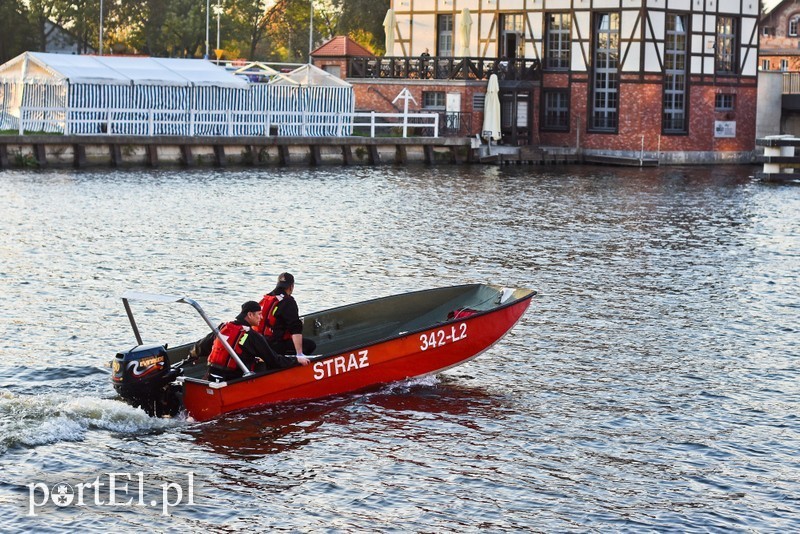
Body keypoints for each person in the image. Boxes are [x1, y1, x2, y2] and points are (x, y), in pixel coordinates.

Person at [204, 300, 310, 382]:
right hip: (233, 379)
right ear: (250, 315)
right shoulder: (252, 335)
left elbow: (202, 346)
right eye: (259, 314)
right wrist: (296, 360)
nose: (261, 317)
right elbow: (274, 360)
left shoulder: (223, 327)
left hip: (211, 375)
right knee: (263, 365)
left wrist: (192, 356)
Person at [258, 272, 317, 358]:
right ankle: (292, 364)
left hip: (262, 342)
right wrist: (299, 354)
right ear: (291, 286)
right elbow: (295, 328)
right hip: (275, 345)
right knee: (310, 345)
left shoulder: (267, 298)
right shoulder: (288, 301)